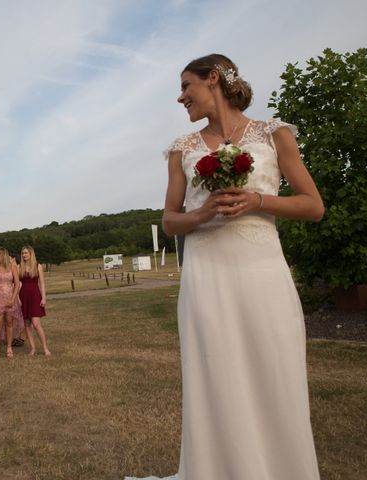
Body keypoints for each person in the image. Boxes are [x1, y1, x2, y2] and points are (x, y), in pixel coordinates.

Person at [128, 54, 324, 480]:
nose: (180, 97)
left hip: (262, 273)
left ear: (212, 78)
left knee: (276, 374)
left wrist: (258, 201)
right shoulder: (182, 148)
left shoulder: (275, 135)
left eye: (186, 86)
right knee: (216, 377)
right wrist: (201, 216)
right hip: (207, 277)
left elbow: (313, 206)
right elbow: (169, 218)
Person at [0, 247, 21, 358]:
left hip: (10, 298)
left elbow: (17, 283)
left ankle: (9, 347)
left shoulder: (12, 267)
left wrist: (13, 299)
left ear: (4, 255)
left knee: (9, 323)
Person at [18, 246, 51, 356]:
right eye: (22, 253)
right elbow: (17, 284)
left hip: (35, 296)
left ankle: (45, 348)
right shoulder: (19, 267)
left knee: (36, 324)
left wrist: (44, 297)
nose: (24, 255)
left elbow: (42, 283)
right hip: (23, 297)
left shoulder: (38, 266)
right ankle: (33, 348)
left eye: (26, 253)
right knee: (27, 324)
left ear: (31, 254)